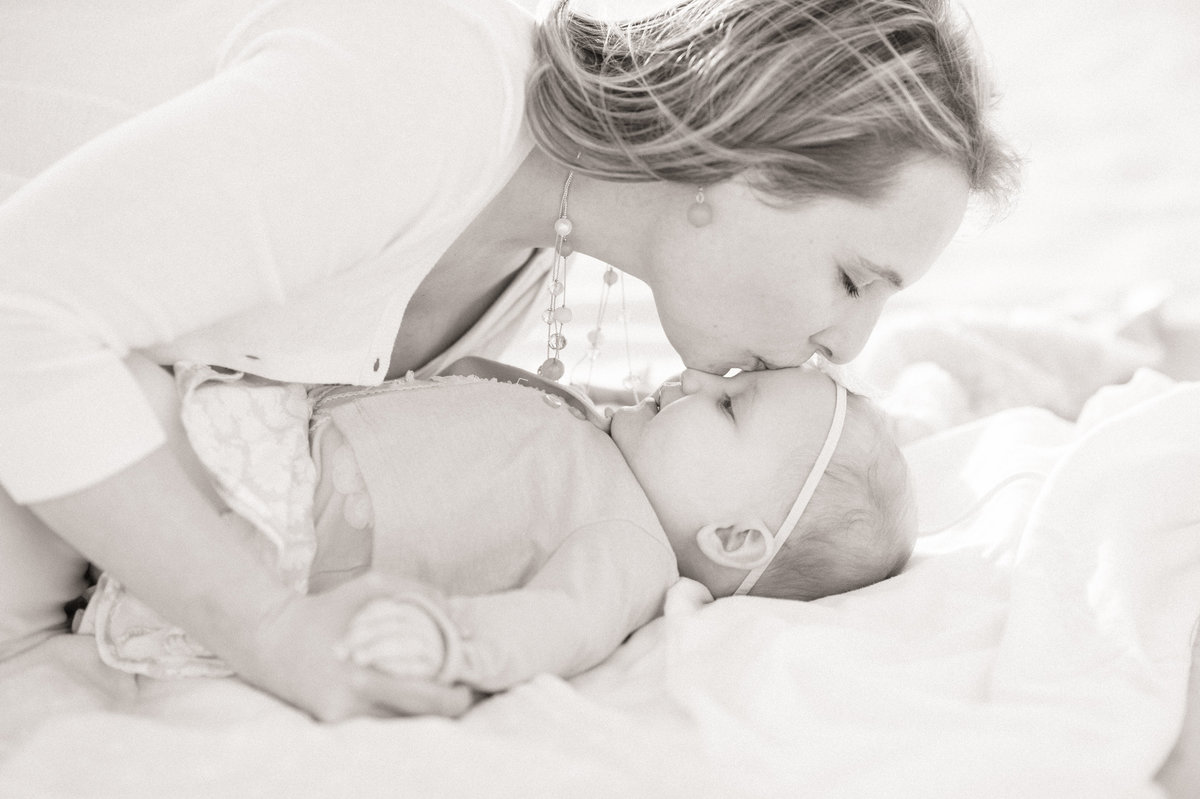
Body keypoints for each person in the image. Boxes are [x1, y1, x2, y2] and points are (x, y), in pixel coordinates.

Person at [0, 0, 1016, 719]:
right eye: (853, 279)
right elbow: (20, 314)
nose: (847, 348)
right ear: (743, 168)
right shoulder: (422, 89)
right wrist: (268, 631)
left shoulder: (534, 262)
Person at [80, 354, 914, 696]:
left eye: (730, 404)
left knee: (103, 406)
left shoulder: (628, 550)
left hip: (288, 503)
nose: (695, 377)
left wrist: (450, 643)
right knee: (107, 396)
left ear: (736, 538)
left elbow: (553, 624)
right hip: (279, 435)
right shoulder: (607, 439)